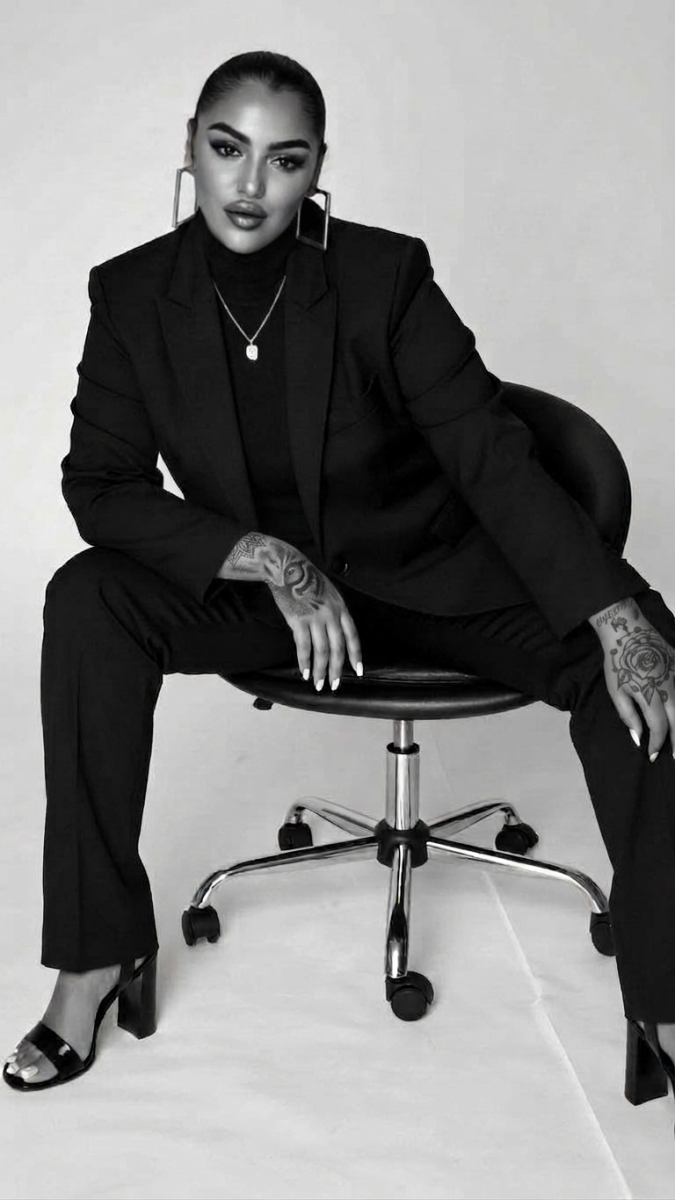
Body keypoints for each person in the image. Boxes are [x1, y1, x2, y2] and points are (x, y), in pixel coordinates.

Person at [4, 51, 675, 1121]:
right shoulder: (132, 296)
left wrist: (611, 613)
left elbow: (490, 456)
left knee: (643, 657)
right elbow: (103, 488)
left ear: (317, 169)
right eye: (227, 148)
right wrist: (269, 560)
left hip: (435, 577)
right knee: (88, 601)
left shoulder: (382, 276)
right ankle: (93, 956)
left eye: (284, 159)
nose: (249, 184)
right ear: (190, 148)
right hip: (272, 604)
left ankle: (666, 999)